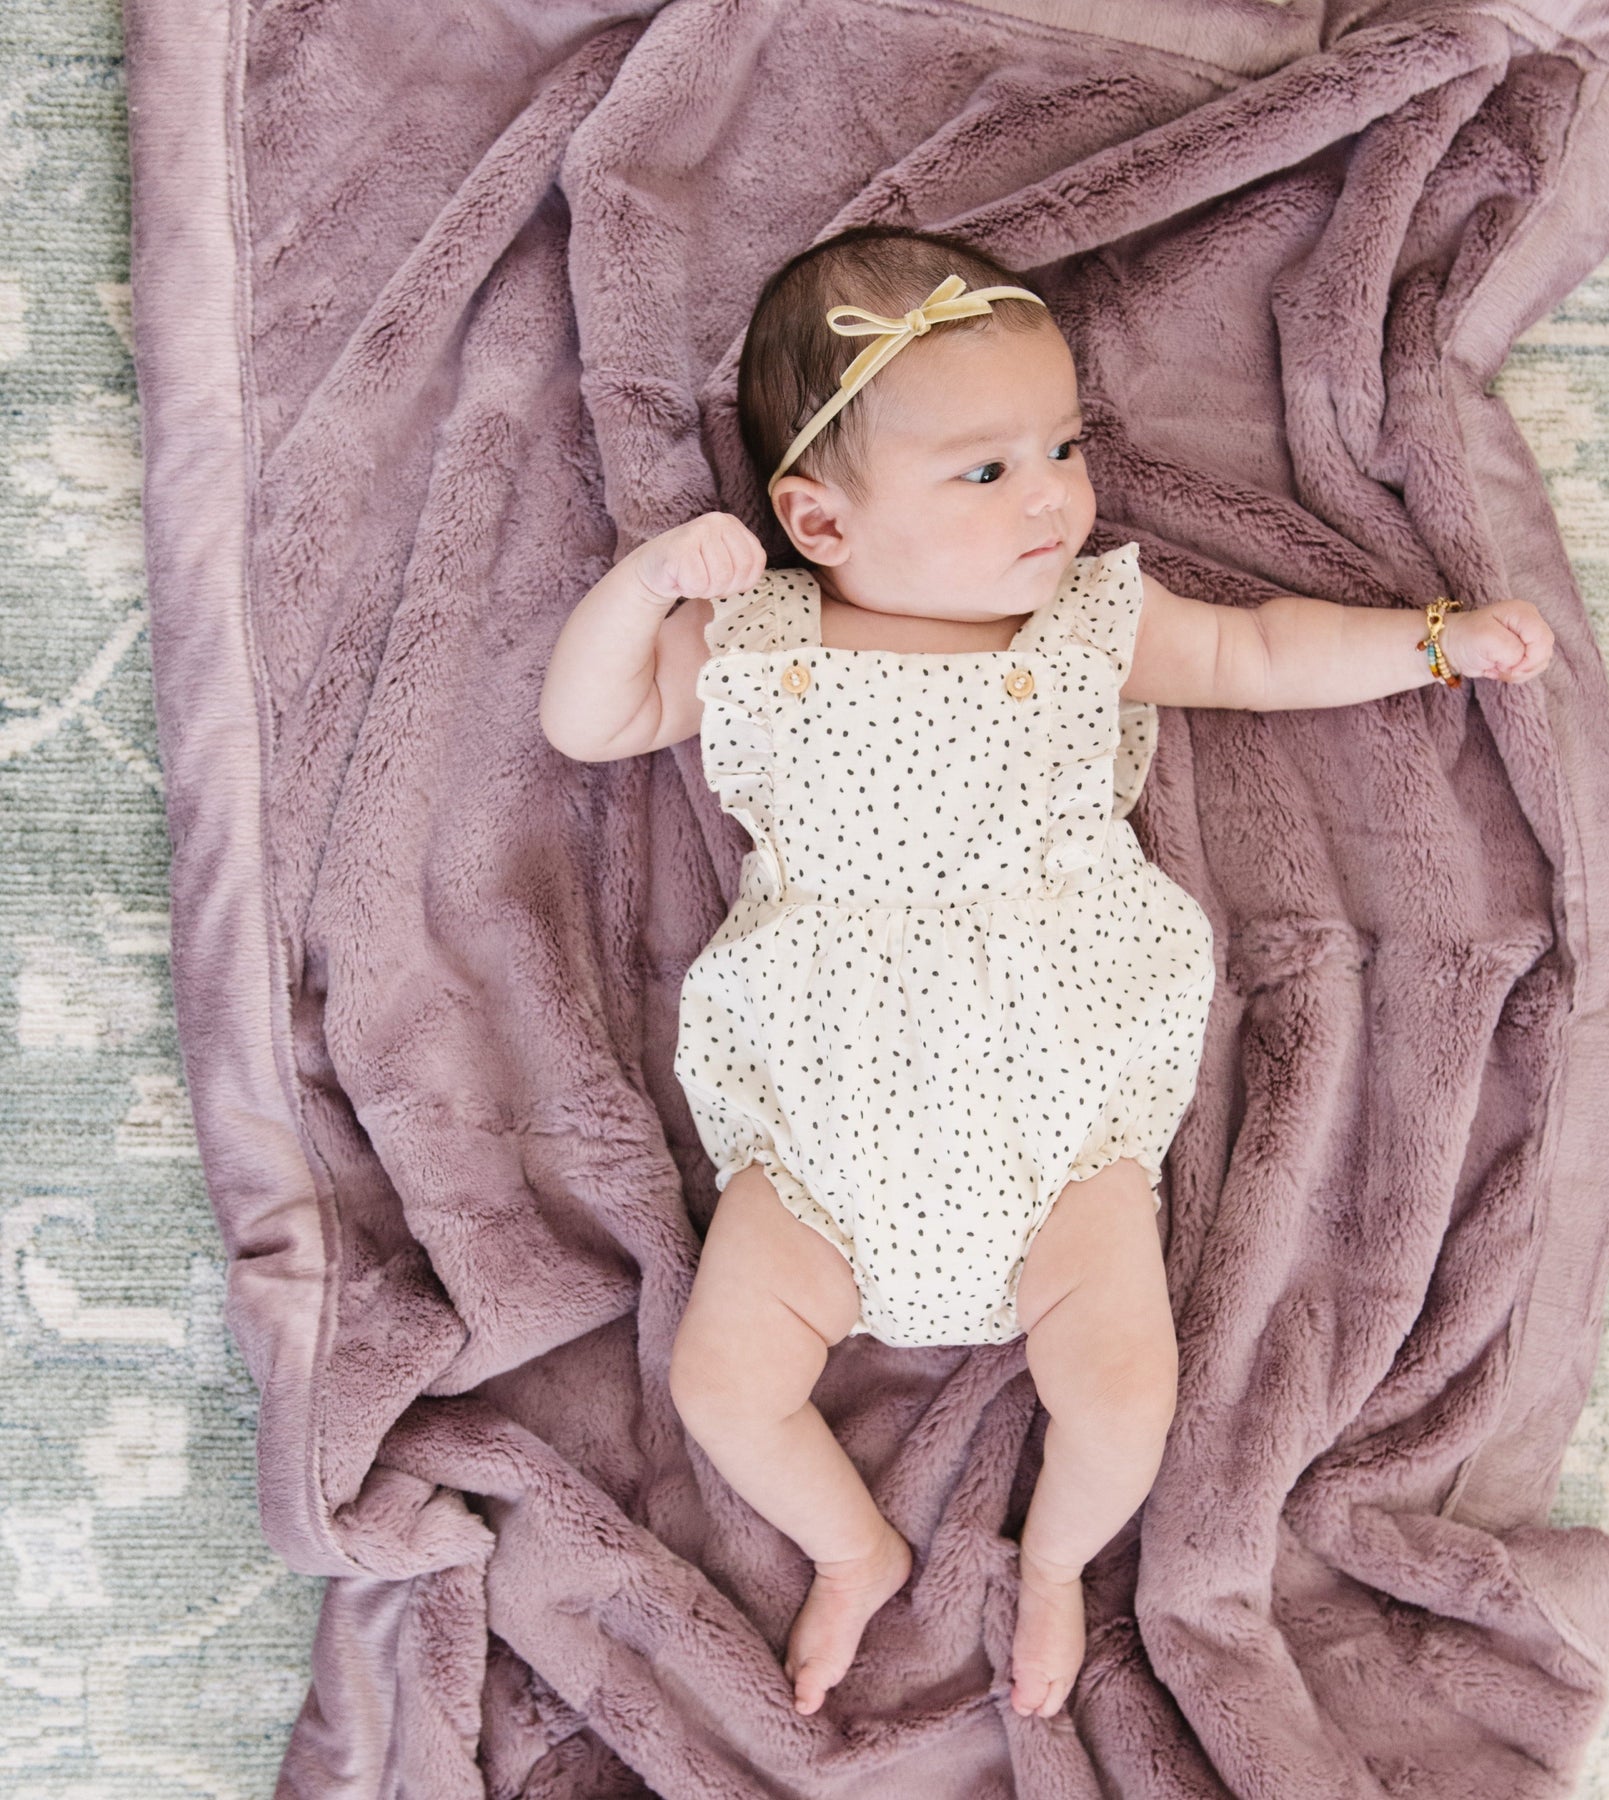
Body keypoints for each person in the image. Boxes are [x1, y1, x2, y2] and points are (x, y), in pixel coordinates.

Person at [539, 223, 1556, 1725]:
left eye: (1063, 445)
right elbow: (587, 720)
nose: (1054, 494)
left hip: (1050, 1099)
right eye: (986, 470)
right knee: (723, 1383)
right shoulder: (756, 641)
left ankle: (1060, 1562)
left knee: (1126, 1387)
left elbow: (1261, 655)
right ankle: (854, 1549)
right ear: (817, 519)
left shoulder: (1081, 626)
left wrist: (1434, 642)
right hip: (831, 1116)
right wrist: (646, 585)